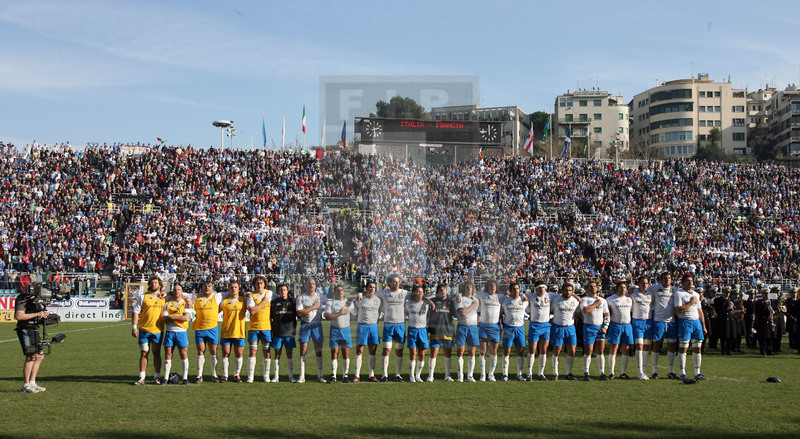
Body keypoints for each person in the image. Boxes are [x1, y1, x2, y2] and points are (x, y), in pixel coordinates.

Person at [375, 274, 412, 382]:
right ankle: (384, 375)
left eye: (398, 281)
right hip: (388, 325)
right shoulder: (384, 293)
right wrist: (359, 294)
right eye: (395, 282)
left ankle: (398, 374)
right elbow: (371, 294)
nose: (397, 283)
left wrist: (429, 301)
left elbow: (418, 294)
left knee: (399, 351)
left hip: (400, 325)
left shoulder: (404, 293)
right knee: (386, 350)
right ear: (389, 283)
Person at [132, 276, 166, 385]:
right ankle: (141, 377)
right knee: (144, 352)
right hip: (144, 330)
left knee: (156, 353)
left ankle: (157, 377)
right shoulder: (143, 297)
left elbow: (181, 295)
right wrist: (134, 327)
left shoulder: (165, 297)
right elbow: (136, 312)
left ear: (160, 285)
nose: (153, 284)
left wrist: (166, 293)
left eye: (156, 283)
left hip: (158, 330)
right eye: (152, 283)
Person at [15, 284, 50, 393]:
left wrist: (43, 317)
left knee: (39, 356)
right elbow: (19, 316)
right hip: (25, 329)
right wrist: (37, 314)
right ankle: (25, 385)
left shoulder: (35, 300)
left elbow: (35, 315)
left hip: (34, 329)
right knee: (31, 357)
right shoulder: (22, 299)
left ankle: (32, 382)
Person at [190, 281, 226, 383]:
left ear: (212, 288)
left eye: (209, 286)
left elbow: (230, 293)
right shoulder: (195, 297)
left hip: (212, 328)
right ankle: (199, 375)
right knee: (200, 351)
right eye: (205, 286)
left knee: (213, 351)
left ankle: (214, 374)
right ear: (202, 288)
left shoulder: (217, 296)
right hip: (199, 328)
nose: (207, 288)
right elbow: (181, 294)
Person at [673, 274, 708, 380]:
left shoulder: (696, 294)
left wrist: (703, 326)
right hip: (685, 321)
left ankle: (698, 372)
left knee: (697, 348)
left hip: (696, 322)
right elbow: (679, 309)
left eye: (691, 280)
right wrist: (691, 302)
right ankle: (682, 372)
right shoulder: (679, 293)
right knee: (683, 348)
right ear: (683, 282)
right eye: (687, 281)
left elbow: (699, 311)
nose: (690, 282)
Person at [245, 275, 279, 383]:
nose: (259, 285)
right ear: (254, 285)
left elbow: (282, 297)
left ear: (265, 284)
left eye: (261, 283)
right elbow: (252, 311)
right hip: (253, 327)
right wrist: (264, 302)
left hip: (266, 327)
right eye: (257, 283)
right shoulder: (251, 296)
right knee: (253, 351)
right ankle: (250, 376)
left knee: (266, 351)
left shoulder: (270, 294)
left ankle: (266, 375)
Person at [295, 277, 328, 383]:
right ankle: (301, 376)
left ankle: (320, 375)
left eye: (313, 284)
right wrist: (313, 307)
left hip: (317, 325)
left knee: (318, 350)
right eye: (309, 284)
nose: (311, 285)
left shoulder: (321, 297)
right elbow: (299, 313)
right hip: (305, 325)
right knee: (303, 350)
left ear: (316, 285)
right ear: (306, 285)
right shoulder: (301, 297)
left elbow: (330, 304)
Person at [648, 272, 678, 379]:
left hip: (671, 322)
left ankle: (671, 371)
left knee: (671, 346)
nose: (667, 280)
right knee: (656, 345)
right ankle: (654, 371)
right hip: (658, 321)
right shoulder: (655, 288)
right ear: (661, 280)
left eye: (669, 278)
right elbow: (643, 289)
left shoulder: (675, 290)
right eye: (665, 278)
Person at [579, 280, 610, 381]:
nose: (593, 288)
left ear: (597, 288)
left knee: (600, 351)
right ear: (587, 289)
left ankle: (602, 373)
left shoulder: (603, 300)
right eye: (590, 286)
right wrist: (596, 304)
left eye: (594, 286)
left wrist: (605, 326)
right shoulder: (585, 300)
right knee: (589, 350)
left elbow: (607, 315)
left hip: (600, 327)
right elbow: (586, 310)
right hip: (589, 327)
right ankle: (586, 373)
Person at [161, 284, 191, 385]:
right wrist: (179, 317)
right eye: (175, 290)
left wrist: (172, 318)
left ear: (182, 292)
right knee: (168, 354)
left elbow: (186, 318)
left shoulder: (186, 303)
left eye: (178, 289)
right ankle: (165, 378)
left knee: (183, 354)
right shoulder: (168, 303)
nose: (177, 291)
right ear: (172, 292)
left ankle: (185, 378)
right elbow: (164, 317)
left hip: (181, 332)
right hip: (169, 331)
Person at [550, 282, 580, 380]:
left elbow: (579, 311)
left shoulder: (575, 301)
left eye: (570, 290)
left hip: (570, 328)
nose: (568, 292)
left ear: (573, 292)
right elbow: (549, 311)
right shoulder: (555, 301)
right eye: (566, 290)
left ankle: (568, 373)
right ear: (562, 291)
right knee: (557, 350)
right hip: (558, 327)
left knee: (572, 351)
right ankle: (555, 373)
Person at [352, 280, 381, 382]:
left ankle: (371, 375)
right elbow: (352, 307)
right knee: (359, 351)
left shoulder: (378, 300)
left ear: (375, 289)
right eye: (370, 287)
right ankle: (357, 375)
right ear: (366, 288)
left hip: (373, 327)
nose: (371, 288)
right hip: (362, 326)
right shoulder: (360, 298)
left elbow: (380, 312)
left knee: (372, 351)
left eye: (373, 287)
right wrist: (357, 316)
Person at [324, 285, 353, 383]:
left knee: (346, 353)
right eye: (338, 290)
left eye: (341, 290)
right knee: (334, 352)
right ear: (334, 292)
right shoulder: (330, 302)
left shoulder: (348, 303)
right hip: (335, 330)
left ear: (344, 292)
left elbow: (357, 310)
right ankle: (334, 376)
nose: (340, 292)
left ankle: (345, 376)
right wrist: (339, 313)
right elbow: (327, 316)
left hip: (346, 330)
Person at [522, 281, 551, 381]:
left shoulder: (550, 295)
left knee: (543, 350)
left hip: (546, 325)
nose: (542, 289)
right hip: (535, 325)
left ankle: (541, 373)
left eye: (543, 287)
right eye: (539, 288)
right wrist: (523, 297)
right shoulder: (530, 295)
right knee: (532, 349)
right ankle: (529, 374)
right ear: (536, 289)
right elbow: (518, 294)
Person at [427, 283, 456, 382]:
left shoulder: (451, 302)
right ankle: (431, 375)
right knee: (433, 353)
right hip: (436, 330)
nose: (443, 291)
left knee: (448, 353)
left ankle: (447, 375)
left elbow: (455, 314)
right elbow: (428, 314)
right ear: (438, 291)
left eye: (444, 289)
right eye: (441, 290)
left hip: (448, 330)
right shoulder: (433, 301)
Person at [219, 281, 247, 382]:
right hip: (226, 331)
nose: (233, 289)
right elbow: (215, 311)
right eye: (231, 287)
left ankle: (237, 374)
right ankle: (225, 375)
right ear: (229, 289)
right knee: (226, 353)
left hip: (239, 332)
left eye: (235, 287)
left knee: (239, 353)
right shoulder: (225, 301)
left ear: (239, 289)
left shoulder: (244, 300)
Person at [606, 281, 634, 380]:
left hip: (627, 325)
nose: (623, 289)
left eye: (624, 287)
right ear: (617, 288)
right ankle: (611, 372)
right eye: (621, 287)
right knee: (613, 348)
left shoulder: (629, 299)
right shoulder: (610, 299)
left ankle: (623, 372)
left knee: (626, 350)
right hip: (615, 325)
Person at [500, 282, 527, 381]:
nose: (516, 290)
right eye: (514, 289)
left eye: (517, 288)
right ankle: (505, 374)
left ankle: (519, 374)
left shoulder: (524, 300)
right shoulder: (504, 300)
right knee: (507, 351)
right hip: (509, 328)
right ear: (510, 291)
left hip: (520, 328)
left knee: (520, 351)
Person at [270, 283, 297, 382]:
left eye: (284, 290)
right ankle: (276, 376)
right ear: (278, 291)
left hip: (289, 333)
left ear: (287, 291)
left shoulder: (293, 302)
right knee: (277, 354)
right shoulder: (274, 302)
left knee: (289, 354)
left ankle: (291, 376)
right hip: (277, 332)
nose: (282, 292)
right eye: (281, 290)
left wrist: (295, 300)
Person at [476, 279, 502, 381]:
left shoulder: (500, 297)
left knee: (494, 350)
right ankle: (483, 374)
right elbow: (470, 293)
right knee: (483, 351)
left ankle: (491, 374)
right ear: (487, 287)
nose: (493, 287)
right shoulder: (481, 295)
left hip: (495, 327)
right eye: (491, 285)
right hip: (483, 326)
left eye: (494, 285)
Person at [454, 281, 480, 382]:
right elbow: (463, 313)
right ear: (463, 288)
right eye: (467, 287)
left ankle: (470, 375)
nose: (469, 288)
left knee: (472, 352)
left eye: (470, 287)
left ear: (473, 289)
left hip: (473, 328)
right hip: (462, 327)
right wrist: (472, 306)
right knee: (460, 351)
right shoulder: (459, 299)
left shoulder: (476, 300)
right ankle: (460, 376)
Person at [406, 285, 431, 382]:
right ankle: (411, 376)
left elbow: (431, 310)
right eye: (417, 291)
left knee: (422, 354)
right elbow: (406, 313)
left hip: (423, 330)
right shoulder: (408, 304)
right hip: (412, 329)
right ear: (414, 293)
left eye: (421, 291)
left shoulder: (426, 304)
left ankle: (418, 376)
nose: (419, 293)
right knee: (413, 353)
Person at [630, 276, 653, 380]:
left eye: (646, 283)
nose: (645, 285)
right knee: (639, 347)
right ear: (638, 284)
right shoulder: (633, 293)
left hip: (648, 322)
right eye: (643, 283)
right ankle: (639, 372)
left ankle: (644, 370)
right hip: (637, 321)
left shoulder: (651, 294)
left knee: (646, 347)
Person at [754, 288, 775, 356]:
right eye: (765, 294)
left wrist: (773, 312)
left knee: (770, 337)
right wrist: (766, 317)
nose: (767, 295)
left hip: (770, 322)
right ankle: (763, 351)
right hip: (762, 322)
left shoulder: (771, 302)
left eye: (768, 294)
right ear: (762, 295)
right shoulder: (759, 302)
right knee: (762, 337)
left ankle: (770, 350)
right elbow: (758, 313)